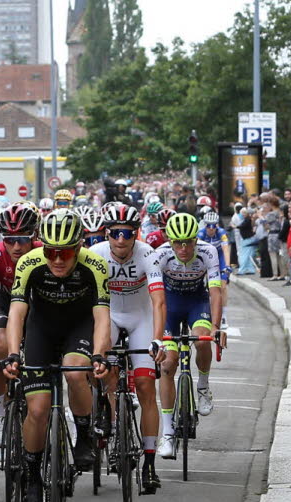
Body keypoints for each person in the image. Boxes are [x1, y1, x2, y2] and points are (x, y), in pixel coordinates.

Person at [2, 209, 111, 500]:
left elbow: (101, 317)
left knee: (76, 371)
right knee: (37, 409)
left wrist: (99, 355)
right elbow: (16, 314)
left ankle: (85, 434)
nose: (58, 260)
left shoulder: (95, 266)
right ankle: (33, 474)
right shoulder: (29, 263)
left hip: (79, 326)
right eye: (51, 252)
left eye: (65, 252)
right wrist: (13, 353)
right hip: (42, 330)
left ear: (78, 247)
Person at [89, 203, 165, 492]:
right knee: (100, 364)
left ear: (137, 233)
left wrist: (158, 339)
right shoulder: (96, 255)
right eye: (115, 233)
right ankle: (107, 407)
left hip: (140, 317)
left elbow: (158, 301)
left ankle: (149, 463)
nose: (121, 240)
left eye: (128, 233)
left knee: (146, 386)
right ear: (106, 233)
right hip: (109, 315)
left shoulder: (148, 254)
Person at [151, 213, 223, 459]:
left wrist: (216, 326)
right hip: (169, 306)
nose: (183, 248)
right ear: (168, 239)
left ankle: (202, 386)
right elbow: (156, 299)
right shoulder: (160, 254)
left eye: (189, 242)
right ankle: (168, 433)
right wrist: (158, 336)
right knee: (168, 365)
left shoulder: (208, 252)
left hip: (196, 302)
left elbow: (215, 291)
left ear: (196, 239)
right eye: (177, 242)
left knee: (202, 339)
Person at [0, 202, 40, 450]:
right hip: (3, 306)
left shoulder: (44, 254)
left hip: (37, 309)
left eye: (23, 239)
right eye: (10, 239)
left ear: (34, 235)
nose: (16, 246)